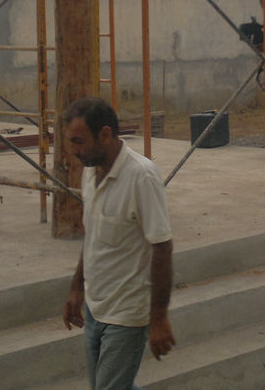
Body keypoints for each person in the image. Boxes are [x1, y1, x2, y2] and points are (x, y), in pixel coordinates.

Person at [60, 97, 175, 390]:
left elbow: (162, 247)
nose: (73, 151)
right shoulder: (90, 171)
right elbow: (93, 237)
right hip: (94, 309)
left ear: (105, 135)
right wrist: (76, 289)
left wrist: (159, 318)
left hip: (127, 316)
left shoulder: (142, 176)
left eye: (78, 142)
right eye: (70, 142)